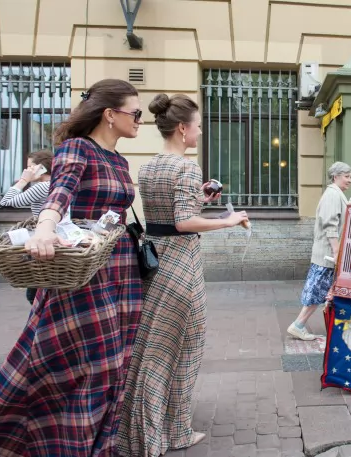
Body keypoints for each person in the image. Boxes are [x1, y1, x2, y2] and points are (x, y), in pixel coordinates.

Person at [0, 78, 144, 456]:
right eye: (136, 113)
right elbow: (60, 193)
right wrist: (45, 229)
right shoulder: (76, 149)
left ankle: (102, 445)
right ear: (110, 114)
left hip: (120, 269)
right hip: (82, 273)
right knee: (78, 366)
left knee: (116, 365)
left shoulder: (119, 159)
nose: (140, 120)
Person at [117, 94, 248, 456]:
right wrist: (228, 220)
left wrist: (201, 198)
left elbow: (165, 215)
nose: (200, 132)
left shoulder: (149, 165)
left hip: (155, 261)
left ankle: (141, 428)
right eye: (198, 125)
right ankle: (174, 432)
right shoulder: (186, 167)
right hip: (181, 265)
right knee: (186, 348)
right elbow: (182, 222)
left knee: (152, 348)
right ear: (182, 128)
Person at [287, 162, 351, 341]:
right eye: (346, 176)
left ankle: (300, 325)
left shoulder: (335, 194)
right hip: (327, 255)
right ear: (335, 176)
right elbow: (330, 225)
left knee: (320, 291)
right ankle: (298, 325)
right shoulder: (332, 195)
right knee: (318, 291)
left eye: (349, 176)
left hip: (327, 254)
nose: (349, 180)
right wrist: (337, 251)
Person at [0, 149, 54, 304]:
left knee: (34, 294)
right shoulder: (55, 185)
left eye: (30, 167)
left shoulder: (42, 187)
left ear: (42, 168)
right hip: (52, 236)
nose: (26, 171)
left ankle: (43, 324)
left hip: (42, 238)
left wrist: (23, 181)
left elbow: (6, 202)